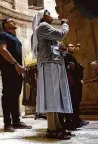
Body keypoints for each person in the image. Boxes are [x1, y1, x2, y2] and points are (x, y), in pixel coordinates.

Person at [32, 9, 73, 139]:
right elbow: (61, 35)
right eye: (48, 13)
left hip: (53, 63)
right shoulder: (43, 26)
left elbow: (56, 48)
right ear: (43, 17)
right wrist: (65, 24)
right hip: (49, 64)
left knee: (55, 96)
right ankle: (51, 128)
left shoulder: (46, 29)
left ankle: (57, 125)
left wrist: (64, 51)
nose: (51, 15)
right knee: (52, 96)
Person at [0, 18, 32, 132]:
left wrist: (22, 67)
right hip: (9, 68)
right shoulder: (3, 34)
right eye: (11, 21)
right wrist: (16, 64)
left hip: (17, 69)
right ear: (5, 25)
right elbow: (3, 50)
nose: (14, 22)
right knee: (7, 95)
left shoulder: (16, 38)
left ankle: (16, 121)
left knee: (15, 95)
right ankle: (7, 123)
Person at [59, 43, 88, 130]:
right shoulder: (66, 56)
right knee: (72, 102)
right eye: (71, 46)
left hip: (74, 82)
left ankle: (75, 120)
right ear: (66, 48)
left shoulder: (70, 56)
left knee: (75, 102)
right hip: (70, 82)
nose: (74, 48)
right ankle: (72, 121)